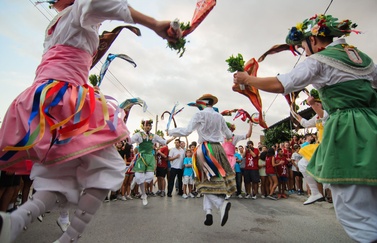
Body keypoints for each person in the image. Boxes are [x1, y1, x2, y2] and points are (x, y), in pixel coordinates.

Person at [0, 1, 181, 242]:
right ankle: (69, 237)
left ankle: (15, 221)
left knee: (57, 178)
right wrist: (155, 23)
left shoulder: (54, 25)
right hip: (68, 99)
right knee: (109, 169)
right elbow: (100, 4)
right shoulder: (79, 9)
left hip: (44, 101)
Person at [234, 13, 377, 241]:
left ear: (314, 39)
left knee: (354, 208)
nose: (304, 52)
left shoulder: (320, 59)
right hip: (373, 123)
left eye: (303, 47)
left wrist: (247, 80)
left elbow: (283, 83)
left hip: (347, 131)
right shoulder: (365, 58)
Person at [168, 94, 236, 227]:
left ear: (203, 103)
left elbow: (187, 131)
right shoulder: (219, 116)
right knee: (211, 182)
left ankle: (221, 204)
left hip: (205, 150)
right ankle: (208, 213)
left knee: (203, 181)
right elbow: (228, 134)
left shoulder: (199, 115)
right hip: (218, 149)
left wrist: (171, 131)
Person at [129, 119, 174, 206]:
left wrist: (173, 137)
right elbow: (130, 141)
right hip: (141, 157)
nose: (148, 127)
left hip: (150, 158)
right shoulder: (138, 135)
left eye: (150, 125)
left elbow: (164, 142)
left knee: (149, 177)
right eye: (147, 125)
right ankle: (144, 194)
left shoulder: (154, 136)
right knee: (139, 178)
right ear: (143, 126)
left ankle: (138, 182)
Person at [222, 121, 252, 199]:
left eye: (229, 129)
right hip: (223, 158)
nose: (227, 130)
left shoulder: (235, 137)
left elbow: (248, 135)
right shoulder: (221, 136)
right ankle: (225, 192)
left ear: (232, 130)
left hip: (231, 159)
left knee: (230, 176)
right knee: (223, 176)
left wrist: (250, 125)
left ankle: (230, 192)